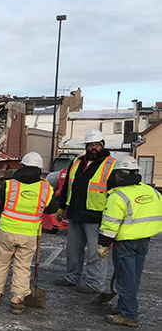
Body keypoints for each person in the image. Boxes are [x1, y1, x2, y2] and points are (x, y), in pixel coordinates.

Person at [0, 152, 58, 314]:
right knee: (22, 267)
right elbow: (52, 209)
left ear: (21, 166)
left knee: (1, 263)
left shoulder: (9, 185)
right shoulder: (45, 188)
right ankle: (17, 300)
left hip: (7, 232)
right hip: (29, 235)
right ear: (39, 169)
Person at [97, 156, 162, 327]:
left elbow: (110, 224)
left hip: (125, 243)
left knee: (125, 279)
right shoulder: (151, 191)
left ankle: (129, 315)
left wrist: (103, 245)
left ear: (118, 175)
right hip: (143, 241)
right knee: (133, 278)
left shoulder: (118, 196)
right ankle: (124, 307)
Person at [54, 129, 116, 303]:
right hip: (75, 212)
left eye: (96, 145)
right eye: (90, 145)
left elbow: (115, 193)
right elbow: (67, 185)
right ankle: (72, 277)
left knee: (96, 252)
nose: (93, 148)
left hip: (96, 216)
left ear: (102, 145)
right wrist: (62, 206)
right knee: (73, 249)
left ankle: (95, 283)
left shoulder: (110, 164)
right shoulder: (77, 162)